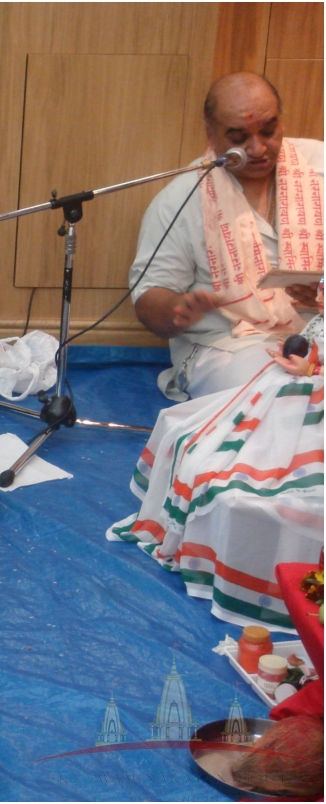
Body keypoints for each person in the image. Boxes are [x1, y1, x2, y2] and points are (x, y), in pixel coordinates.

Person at [107, 279, 323, 630]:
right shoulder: (317, 321)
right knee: (217, 438)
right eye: (321, 287)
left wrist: (311, 370)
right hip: (295, 387)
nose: (319, 295)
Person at [130, 72, 322, 401]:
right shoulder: (181, 199)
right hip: (230, 346)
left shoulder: (319, 167)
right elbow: (149, 298)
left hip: (319, 334)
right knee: (284, 392)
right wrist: (179, 309)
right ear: (211, 134)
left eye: (268, 131)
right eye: (239, 137)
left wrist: (321, 290)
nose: (257, 148)